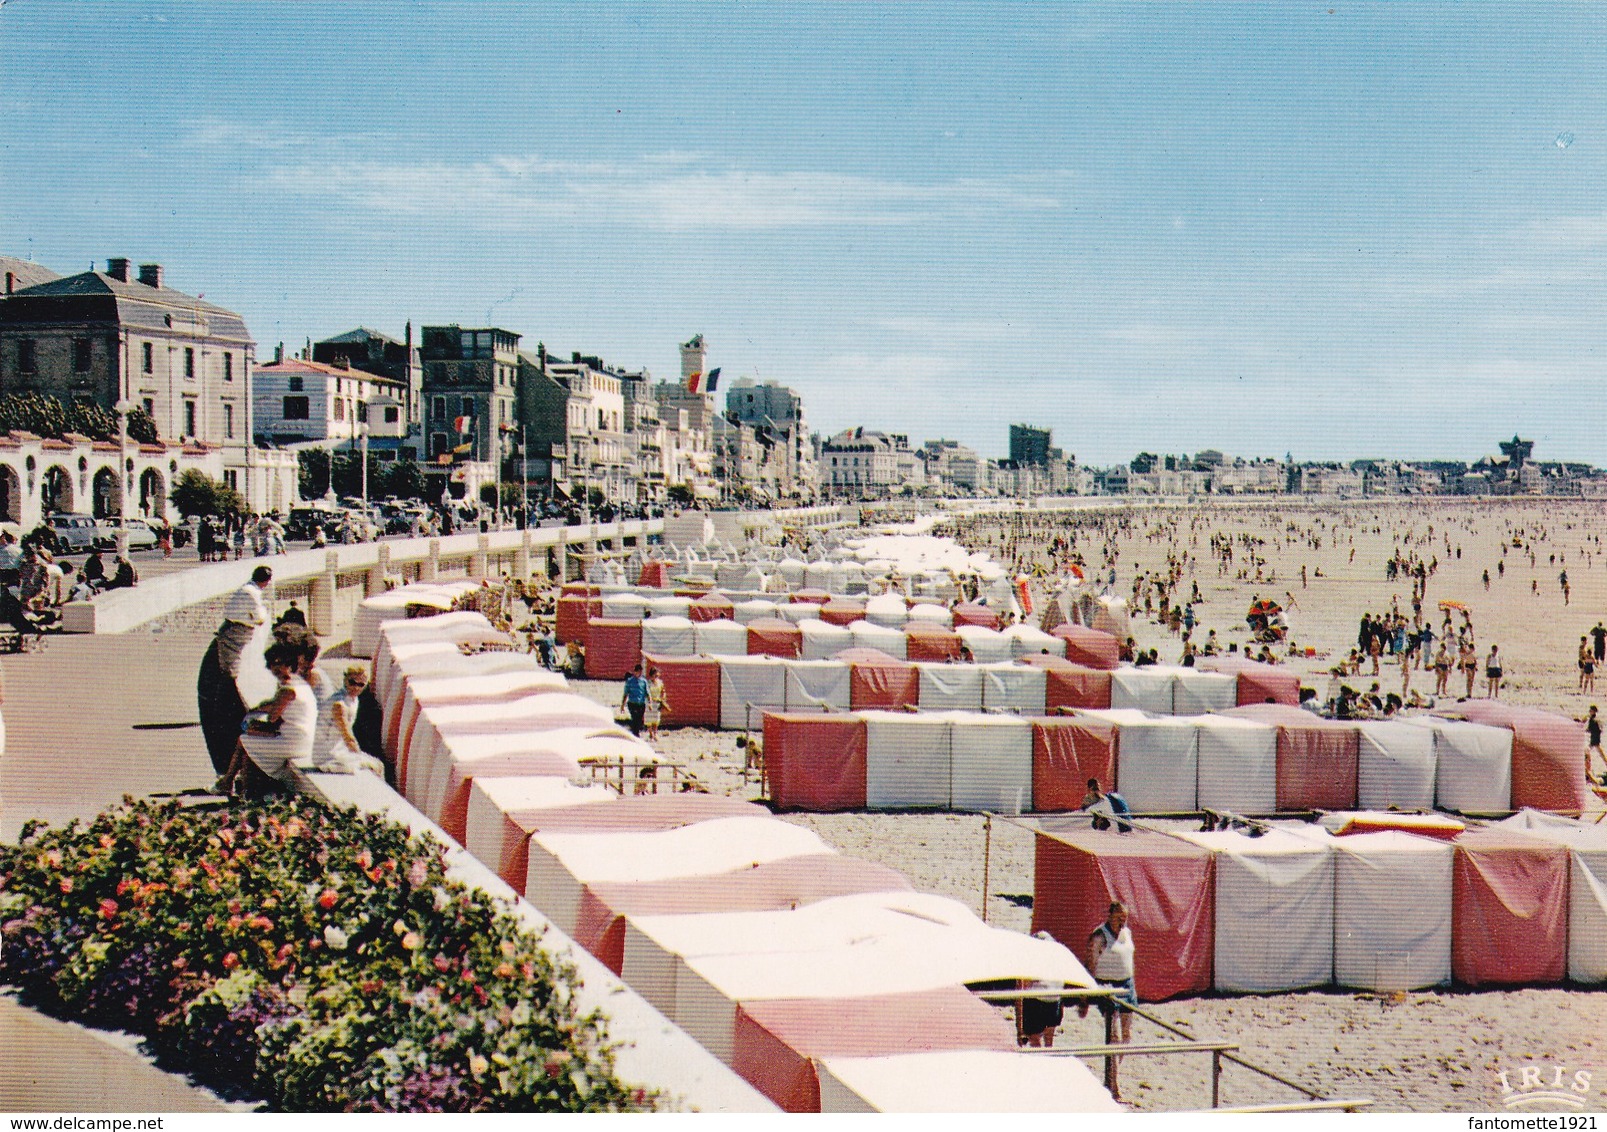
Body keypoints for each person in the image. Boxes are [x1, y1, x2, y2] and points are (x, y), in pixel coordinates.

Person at [214, 638, 317, 797]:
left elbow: (272, 718)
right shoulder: (298, 683)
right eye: (272, 663)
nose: (275, 668)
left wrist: (255, 725)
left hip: (293, 742)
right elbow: (277, 708)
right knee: (248, 740)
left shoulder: (287, 689)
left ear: (289, 664)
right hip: (301, 739)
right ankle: (237, 788)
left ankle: (233, 785)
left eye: (280, 663)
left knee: (245, 740)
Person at [197, 565, 274, 773]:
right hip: (236, 633)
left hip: (232, 629)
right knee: (230, 672)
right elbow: (259, 617)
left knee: (228, 669)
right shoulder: (252, 593)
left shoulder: (247, 589)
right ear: (266, 581)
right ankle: (227, 705)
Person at [1087, 901, 1137, 1102]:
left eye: (1124, 918)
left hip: (1127, 985)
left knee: (1127, 1035)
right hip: (1109, 988)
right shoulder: (1100, 935)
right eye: (1119, 918)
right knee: (1114, 1036)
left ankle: (1112, 1074)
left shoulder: (1127, 933)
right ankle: (1114, 1085)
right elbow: (1091, 961)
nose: (1122, 922)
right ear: (1110, 916)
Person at [310, 665, 384, 775]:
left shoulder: (353, 699)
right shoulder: (339, 704)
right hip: (326, 756)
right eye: (352, 682)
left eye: (361, 685)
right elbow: (347, 737)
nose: (356, 688)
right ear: (345, 680)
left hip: (337, 751)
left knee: (378, 764)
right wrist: (358, 754)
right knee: (375, 766)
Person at [1016, 931, 1065, 1049]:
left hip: (1037, 999)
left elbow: (1021, 991)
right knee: (1049, 1042)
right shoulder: (1059, 959)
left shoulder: (1030, 959)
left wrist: (1019, 1028)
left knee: (1034, 1040)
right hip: (1054, 998)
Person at [621, 663, 650, 736]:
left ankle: (635, 732)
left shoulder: (644, 681)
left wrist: (649, 703)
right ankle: (635, 734)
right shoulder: (630, 681)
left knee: (639, 720)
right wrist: (622, 705)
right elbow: (626, 694)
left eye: (640, 672)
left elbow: (647, 693)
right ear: (634, 671)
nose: (638, 673)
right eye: (637, 671)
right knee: (634, 718)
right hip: (632, 703)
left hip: (641, 703)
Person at [644, 665, 666, 742]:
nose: (656, 677)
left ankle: (655, 733)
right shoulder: (648, 683)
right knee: (649, 719)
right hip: (649, 702)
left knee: (656, 719)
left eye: (657, 675)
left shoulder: (660, 683)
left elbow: (663, 691)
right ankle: (651, 734)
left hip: (657, 701)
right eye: (655, 675)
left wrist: (662, 699)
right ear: (651, 675)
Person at [1585, 705, 1604, 785]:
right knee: (1600, 751)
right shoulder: (1597, 719)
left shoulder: (1592, 720)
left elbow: (1589, 729)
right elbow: (1601, 728)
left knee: (1587, 752)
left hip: (1594, 738)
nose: (1589, 711)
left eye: (1591, 710)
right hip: (1596, 737)